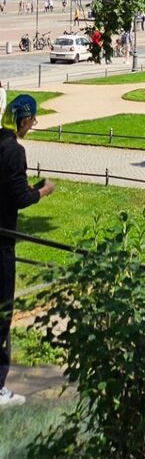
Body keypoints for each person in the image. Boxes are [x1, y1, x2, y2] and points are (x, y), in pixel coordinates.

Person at [1, 94, 56, 406]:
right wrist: (42, 191)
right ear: (23, 120)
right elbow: (21, 197)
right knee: (2, 312)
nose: (32, 126)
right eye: (32, 121)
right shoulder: (14, 151)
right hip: (3, 241)